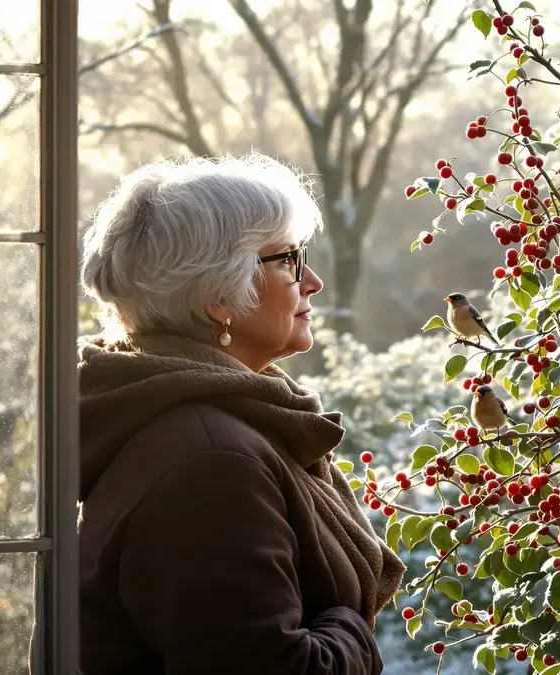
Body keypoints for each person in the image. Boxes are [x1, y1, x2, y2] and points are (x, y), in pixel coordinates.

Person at [77, 154, 405, 674]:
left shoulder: (197, 423)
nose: (313, 280)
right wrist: (351, 626)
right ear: (219, 297)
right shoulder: (211, 462)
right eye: (288, 260)